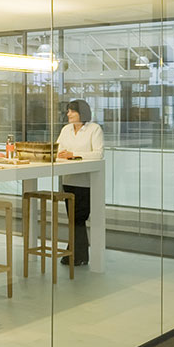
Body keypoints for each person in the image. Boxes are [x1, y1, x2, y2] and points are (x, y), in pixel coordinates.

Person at [56, 99, 103, 266]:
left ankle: (77, 254)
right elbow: (58, 150)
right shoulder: (66, 130)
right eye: (68, 111)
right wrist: (63, 154)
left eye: (72, 111)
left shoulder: (94, 129)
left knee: (79, 218)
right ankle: (77, 254)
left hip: (85, 182)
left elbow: (98, 154)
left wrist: (73, 154)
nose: (68, 114)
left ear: (81, 113)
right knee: (73, 219)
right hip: (68, 179)